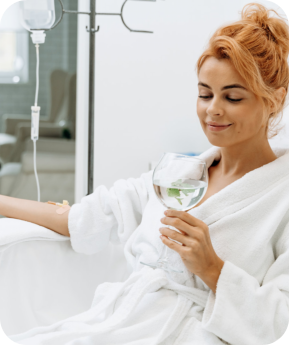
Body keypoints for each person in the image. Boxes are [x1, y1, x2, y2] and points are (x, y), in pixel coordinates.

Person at [2, 2, 289, 344]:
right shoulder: (177, 177)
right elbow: (81, 218)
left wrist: (212, 268)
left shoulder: (281, 198)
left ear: (274, 100)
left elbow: (278, 323)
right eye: (204, 93)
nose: (213, 109)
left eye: (233, 97)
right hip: (122, 323)